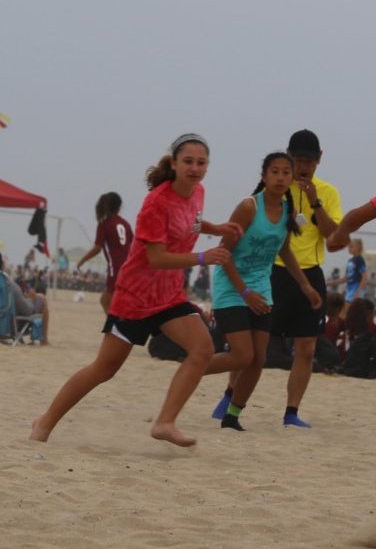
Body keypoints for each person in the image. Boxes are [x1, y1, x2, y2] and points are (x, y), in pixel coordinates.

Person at [29, 133, 242, 447]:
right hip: (136, 296)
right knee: (104, 368)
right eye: (188, 162)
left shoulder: (198, 193)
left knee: (202, 348)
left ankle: (165, 422)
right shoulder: (156, 202)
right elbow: (155, 258)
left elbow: (192, 222)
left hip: (169, 294)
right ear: (174, 163)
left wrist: (216, 228)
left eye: (201, 162)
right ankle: (44, 422)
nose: (195, 168)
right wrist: (202, 257)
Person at [212, 130, 343, 428]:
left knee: (307, 348)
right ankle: (230, 396)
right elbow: (249, 232)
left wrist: (316, 202)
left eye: (309, 160)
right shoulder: (274, 188)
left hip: (309, 270)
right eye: (298, 159)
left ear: (319, 159)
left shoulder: (328, 192)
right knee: (256, 347)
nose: (303, 166)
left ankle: (291, 412)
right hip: (271, 272)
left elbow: (332, 235)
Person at [77, 192, 134, 314]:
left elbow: (98, 248)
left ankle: (115, 329)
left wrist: (82, 260)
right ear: (119, 207)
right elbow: (134, 246)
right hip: (129, 267)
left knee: (107, 301)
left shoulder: (105, 224)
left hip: (116, 269)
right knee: (110, 301)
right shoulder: (126, 224)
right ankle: (116, 327)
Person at [326, 239, 367, 316]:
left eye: (351, 246)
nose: (349, 248)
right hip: (349, 292)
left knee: (347, 313)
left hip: (355, 292)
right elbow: (346, 278)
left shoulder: (360, 260)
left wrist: (358, 291)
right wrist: (332, 282)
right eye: (349, 246)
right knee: (344, 313)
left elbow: (364, 277)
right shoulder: (350, 261)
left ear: (358, 247)